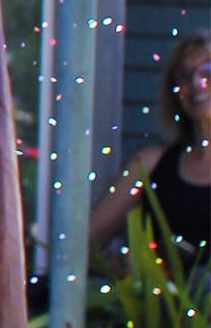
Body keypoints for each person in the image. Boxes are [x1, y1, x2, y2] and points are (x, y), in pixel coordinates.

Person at [88, 29, 211, 261]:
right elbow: (83, 245)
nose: (196, 83)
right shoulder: (150, 164)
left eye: (208, 71)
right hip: (162, 297)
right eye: (184, 75)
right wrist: (127, 271)